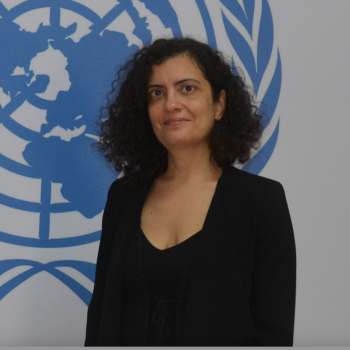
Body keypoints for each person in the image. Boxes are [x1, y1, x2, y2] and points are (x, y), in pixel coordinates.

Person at [84, 37, 296, 346]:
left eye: (187, 88)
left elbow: (273, 331)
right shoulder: (124, 196)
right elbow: (101, 312)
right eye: (157, 93)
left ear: (219, 104)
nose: (171, 104)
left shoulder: (261, 202)